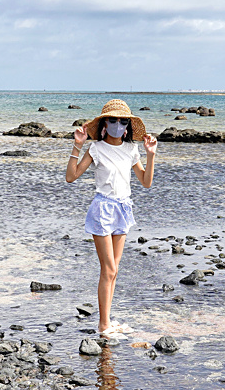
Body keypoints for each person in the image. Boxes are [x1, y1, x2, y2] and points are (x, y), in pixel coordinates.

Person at [65, 99, 157, 336]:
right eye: (113, 120)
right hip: (102, 209)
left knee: (114, 271)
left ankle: (106, 320)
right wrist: (77, 146)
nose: (117, 124)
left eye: (122, 121)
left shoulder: (130, 149)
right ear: (105, 123)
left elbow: (146, 183)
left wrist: (151, 155)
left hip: (124, 208)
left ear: (127, 125)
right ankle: (103, 325)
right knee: (108, 269)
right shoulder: (95, 148)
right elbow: (71, 177)